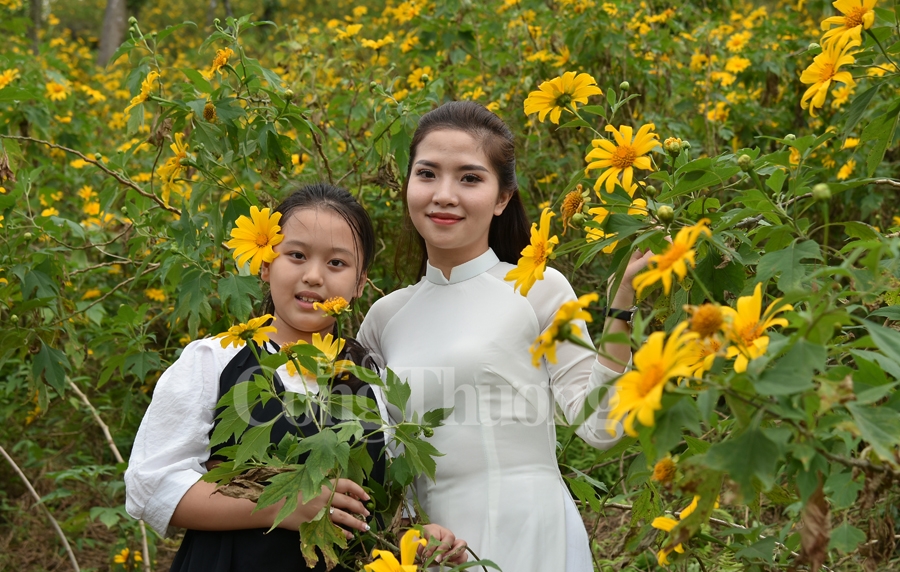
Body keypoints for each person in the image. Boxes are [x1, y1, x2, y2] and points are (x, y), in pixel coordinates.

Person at [357, 102, 649, 572]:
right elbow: (383, 458)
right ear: (407, 183)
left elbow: (601, 427)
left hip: (533, 535)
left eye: (469, 178)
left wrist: (621, 307)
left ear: (502, 198)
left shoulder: (539, 289)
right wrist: (409, 528)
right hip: (435, 551)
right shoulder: (383, 319)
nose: (444, 195)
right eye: (427, 174)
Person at [125, 183, 465, 571]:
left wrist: (417, 538)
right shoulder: (215, 360)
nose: (314, 276)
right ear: (266, 264)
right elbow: (150, 487)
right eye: (297, 255)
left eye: (336, 263)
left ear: (359, 283)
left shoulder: (369, 378)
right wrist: (282, 504)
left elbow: (380, 509)